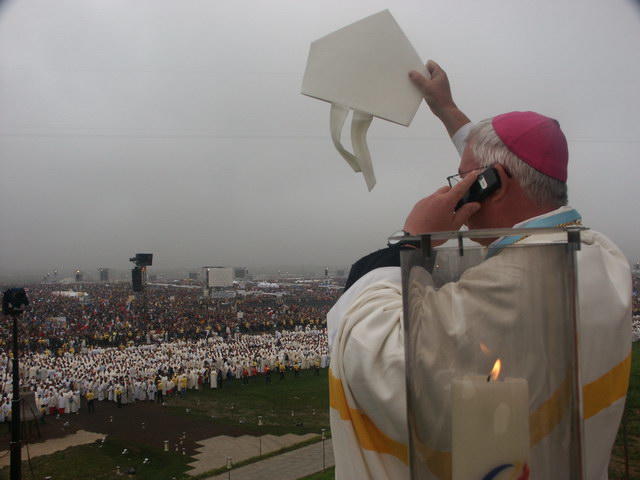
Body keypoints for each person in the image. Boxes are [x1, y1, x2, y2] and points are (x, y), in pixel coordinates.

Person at [327, 60, 632, 480]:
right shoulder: (601, 256)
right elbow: (508, 164)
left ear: (494, 182)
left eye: (465, 179)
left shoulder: (514, 284)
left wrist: (413, 241)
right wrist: (448, 111)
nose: (459, 188)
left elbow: (376, 359)